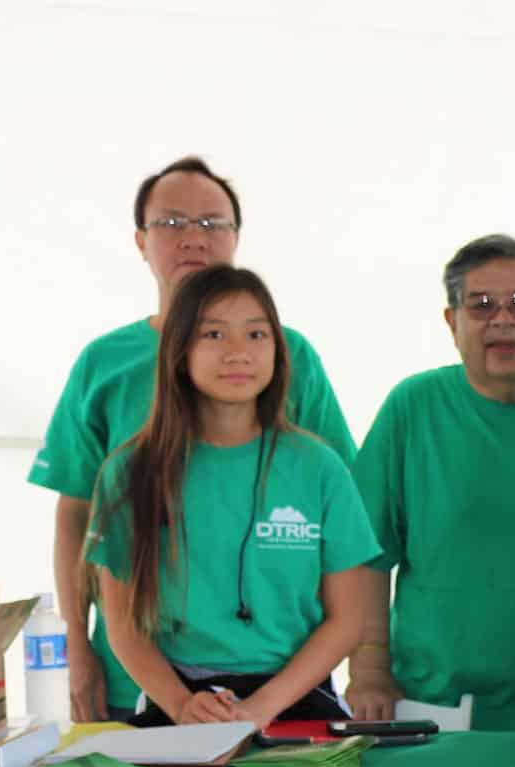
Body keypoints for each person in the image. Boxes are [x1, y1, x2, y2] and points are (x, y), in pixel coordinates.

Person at [30, 156, 356, 721]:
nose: (192, 239)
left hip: (285, 680)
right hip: (141, 672)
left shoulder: (295, 360)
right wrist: (75, 646)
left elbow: (344, 542)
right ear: (140, 240)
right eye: (172, 223)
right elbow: (75, 515)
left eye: (212, 224)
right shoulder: (103, 367)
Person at [86, 267, 378, 727]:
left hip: (295, 699)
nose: (238, 352)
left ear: (279, 353)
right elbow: (121, 623)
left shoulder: (320, 468)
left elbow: (347, 619)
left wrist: (262, 707)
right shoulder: (128, 472)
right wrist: (182, 704)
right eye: (214, 334)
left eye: (257, 334)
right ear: (180, 351)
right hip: (178, 702)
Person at [345, 233, 515, 729]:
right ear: (452, 322)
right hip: (435, 698)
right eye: (481, 305)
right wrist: (368, 672)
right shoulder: (414, 407)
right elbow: (366, 557)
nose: (503, 319)